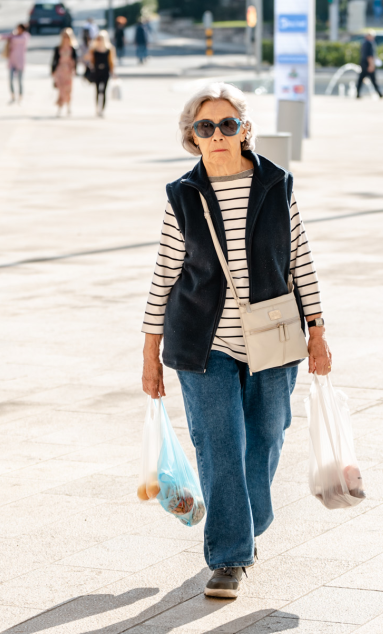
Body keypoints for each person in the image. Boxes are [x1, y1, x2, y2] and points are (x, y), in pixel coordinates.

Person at [141, 82, 330, 599]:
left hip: (274, 336)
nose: (218, 134)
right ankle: (228, 557)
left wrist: (318, 331)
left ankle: (248, 520)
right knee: (220, 446)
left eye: (229, 124)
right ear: (192, 137)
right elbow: (164, 274)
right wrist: (149, 351)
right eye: (206, 127)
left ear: (245, 130)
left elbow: (301, 260)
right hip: (204, 344)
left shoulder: (276, 185)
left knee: (266, 438)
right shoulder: (183, 196)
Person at [0, 23, 30, 105]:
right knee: (11, 80)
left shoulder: (24, 36)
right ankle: (13, 96)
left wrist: (12, 36)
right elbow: (2, 36)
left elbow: (17, 39)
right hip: (12, 61)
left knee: (20, 81)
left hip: (20, 62)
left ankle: (20, 96)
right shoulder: (13, 36)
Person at [86, 30, 115, 117]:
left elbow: (111, 62)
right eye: (98, 39)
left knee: (104, 91)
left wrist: (113, 73)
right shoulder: (93, 50)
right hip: (97, 71)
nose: (99, 40)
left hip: (105, 72)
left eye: (101, 39)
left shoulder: (109, 49)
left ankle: (102, 109)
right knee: (97, 91)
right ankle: (97, 108)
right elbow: (88, 59)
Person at [51, 27, 78, 117]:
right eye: (64, 36)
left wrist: (75, 70)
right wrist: (53, 71)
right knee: (61, 90)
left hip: (69, 71)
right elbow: (54, 60)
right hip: (60, 70)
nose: (66, 38)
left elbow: (75, 61)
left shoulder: (72, 49)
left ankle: (68, 107)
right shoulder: (58, 48)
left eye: (67, 36)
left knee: (68, 89)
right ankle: (60, 107)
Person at [356, 30, 383, 98]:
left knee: (361, 79)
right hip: (368, 64)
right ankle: (379, 93)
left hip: (363, 63)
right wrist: (371, 65)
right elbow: (370, 56)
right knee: (373, 80)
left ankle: (358, 93)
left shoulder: (364, 43)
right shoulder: (370, 43)